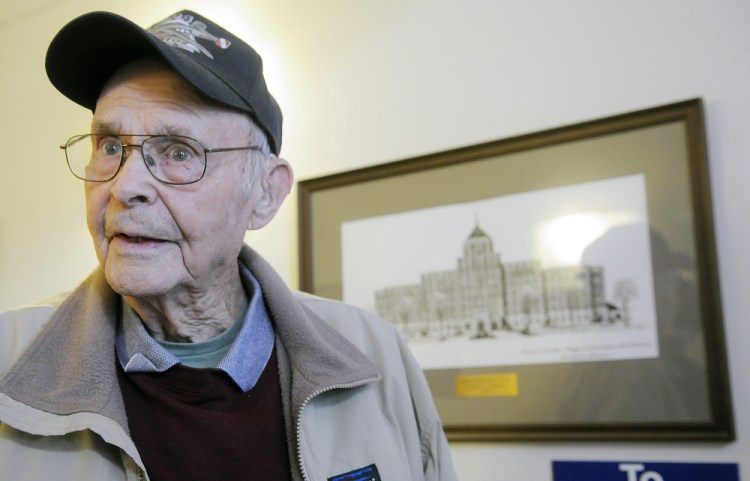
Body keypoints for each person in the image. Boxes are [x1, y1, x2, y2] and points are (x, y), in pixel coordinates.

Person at [0, 10, 457, 481]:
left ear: (265, 193)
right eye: (111, 146)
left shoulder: (377, 355)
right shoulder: (6, 360)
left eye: (179, 151)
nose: (124, 185)